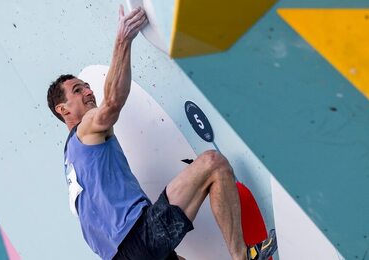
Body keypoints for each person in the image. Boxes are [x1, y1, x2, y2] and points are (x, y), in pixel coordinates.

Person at [46, 5, 277, 260]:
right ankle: (241, 257)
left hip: (128, 253)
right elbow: (111, 103)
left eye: (87, 87)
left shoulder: (71, 162)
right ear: (63, 109)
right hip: (139, 238)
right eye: (78, 90)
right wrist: (123, 40)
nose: (89, 92)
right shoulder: (85, 129)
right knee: (214, 164)